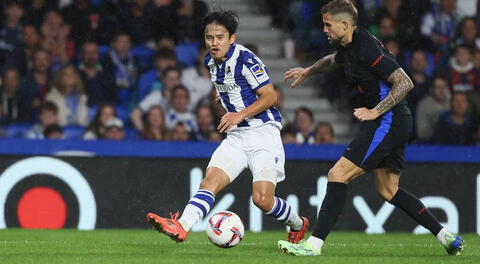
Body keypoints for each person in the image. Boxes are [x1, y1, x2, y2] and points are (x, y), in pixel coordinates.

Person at [277, 0, 464, 257]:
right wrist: (308, 71)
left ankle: (313, 245)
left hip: (389, 119)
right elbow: (334, 59)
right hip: (396, 120)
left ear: (344, 24)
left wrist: (376, 111)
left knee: (337, 174)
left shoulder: (365, 48)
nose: (324, 30)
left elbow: (405, 82)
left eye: (328, 25)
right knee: (388, 190)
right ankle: (446, 237)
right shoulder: (351, 45)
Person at [146, 10, 309, 244]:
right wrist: (224, 100)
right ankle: (181, 226)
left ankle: (298, 224)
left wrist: (238, 113)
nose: (214, 43)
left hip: (263, 134)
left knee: (262, 200)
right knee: (209, 182)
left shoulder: (246, 59)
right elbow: (230, 88)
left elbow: (270, 96)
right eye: (209, 37)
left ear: (232, 37)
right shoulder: (209, 61)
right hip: (237, 136)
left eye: (220, 37)